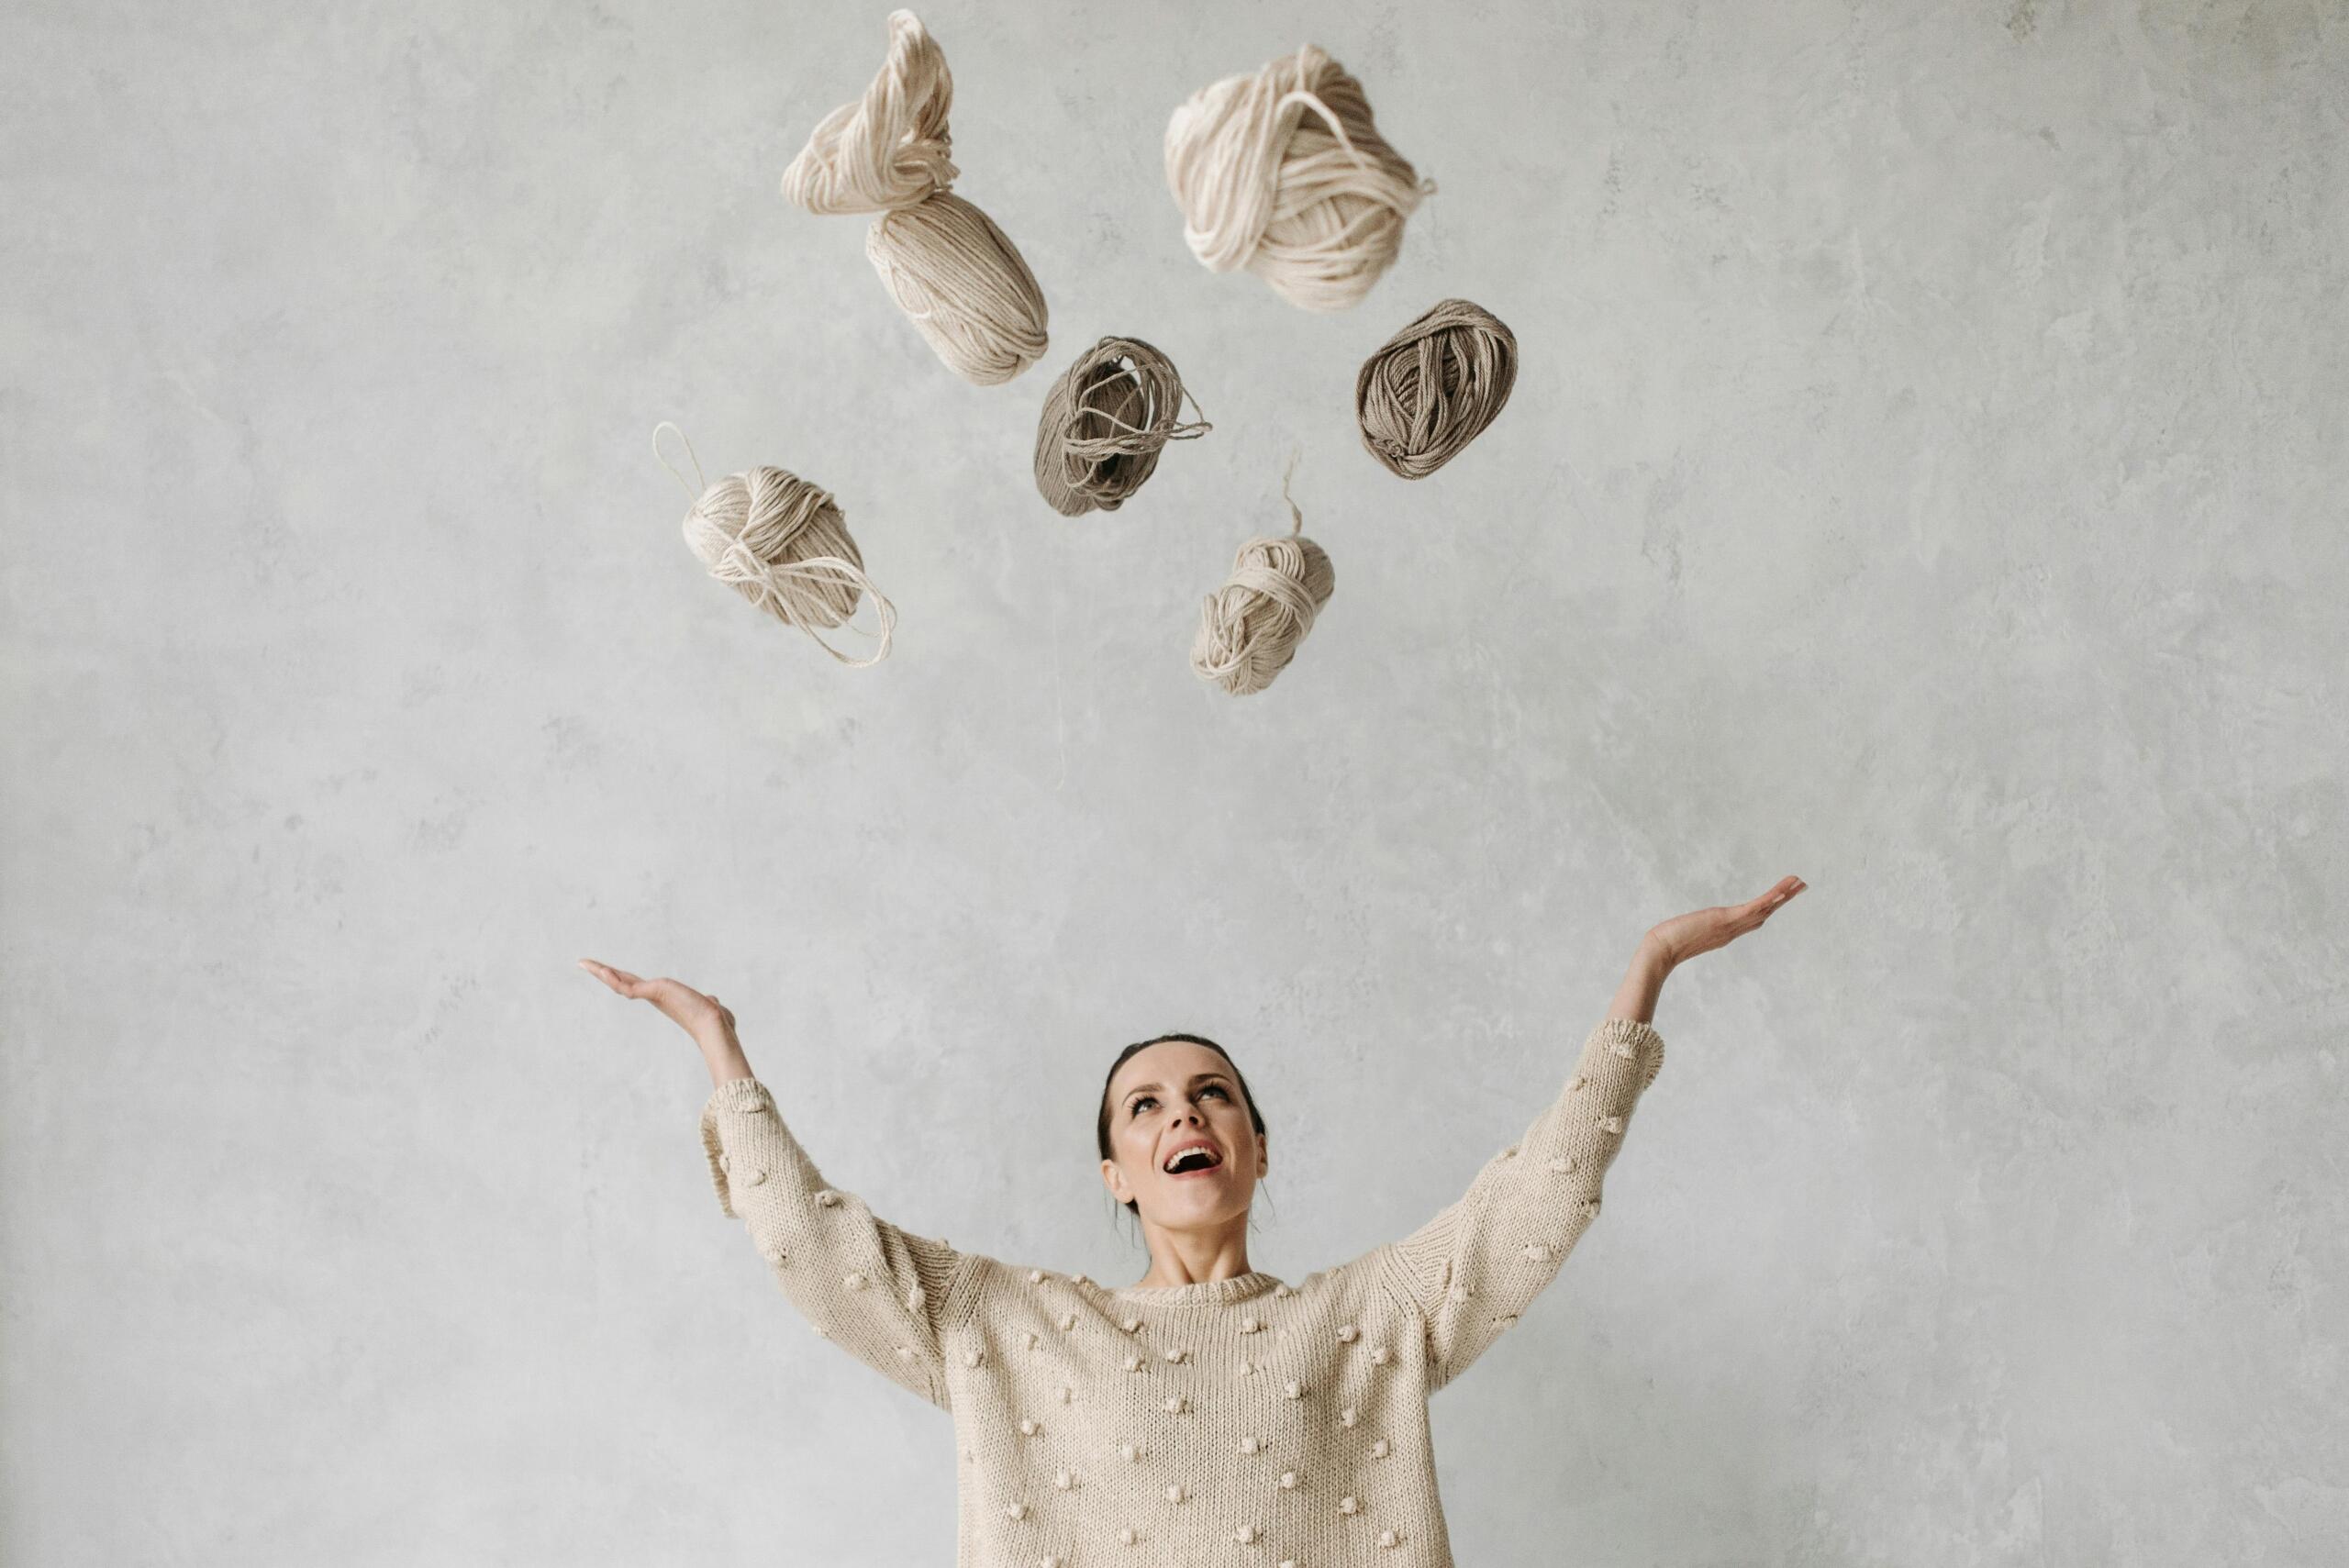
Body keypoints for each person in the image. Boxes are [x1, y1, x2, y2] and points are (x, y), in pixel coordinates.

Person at [581, 874, 1804, 1566]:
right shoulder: (1006, 1321)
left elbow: (1536, 1197)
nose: (1188, 1112)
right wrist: (717, 1046)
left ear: (1255, 1144)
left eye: (1214, 1091)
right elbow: (814, 1244)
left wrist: (1644, 974)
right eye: (1149, 1103)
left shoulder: (1369, 1312)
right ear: (1117, 1168)